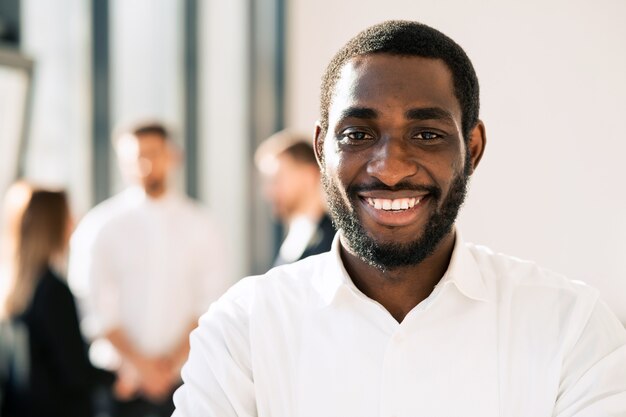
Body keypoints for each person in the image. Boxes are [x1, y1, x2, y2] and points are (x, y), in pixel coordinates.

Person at [172, 21, 626, 416]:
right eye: (357, 134)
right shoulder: (244, 329)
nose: (390, 168)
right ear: (320, 149)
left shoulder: (571, 328)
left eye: (427, 134)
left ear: (474, 149)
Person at [68, 122, 229, 417]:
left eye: (153, 153)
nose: (143, 164)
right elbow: (92, 306)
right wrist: (138, 368)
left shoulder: (202, 225)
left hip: (185, 379)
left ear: (173, 155)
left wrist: (169, 366)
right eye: (134, 157)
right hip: (120, 384)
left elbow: (209, 303)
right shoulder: (99, 226)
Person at [0, 182, 115, 417]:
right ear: (51, 226)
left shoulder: (15, 291)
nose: (72, 224)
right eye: (67, 216)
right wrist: (116, 379)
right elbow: (75, 373)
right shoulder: (54, 292)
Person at [254, 130, 335, 266]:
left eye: (276, 180)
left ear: (309, 175)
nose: (268, 192)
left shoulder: (333, 245)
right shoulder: (293, 238)